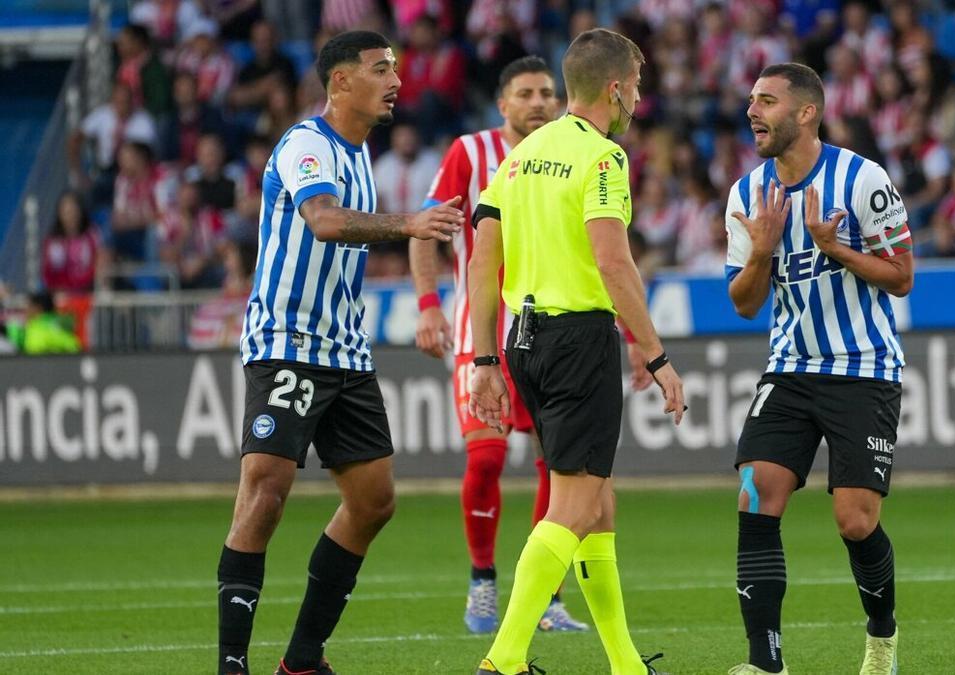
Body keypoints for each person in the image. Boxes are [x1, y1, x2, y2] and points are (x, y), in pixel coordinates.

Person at [217, 30, 465, 675]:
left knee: (374, 502)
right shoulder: (308, 143)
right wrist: (408, 224)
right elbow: (324, 220)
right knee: (266, 490)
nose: (396, 81)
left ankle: (301, 660)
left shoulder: (360, 155)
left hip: (346, 352)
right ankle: (231, 665)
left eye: (397, 69)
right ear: (339, 82)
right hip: (286, 343)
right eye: (381, 69)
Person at [467, 28, 685, 675]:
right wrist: (655, 350)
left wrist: (484, 360)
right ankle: (502, 660)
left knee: (598, 502)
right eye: (637, 87)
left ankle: (625, 663)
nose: (638, 101)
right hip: (577, 338)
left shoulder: (522, 155)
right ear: (615, 88)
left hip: (522, 339)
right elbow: (613, 260)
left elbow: (483, 258)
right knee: (573, 505)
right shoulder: (603, 158)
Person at [724, 63, 914, 675]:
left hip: (864, 367)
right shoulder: (745, 195)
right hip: (789, 366)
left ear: (806, 113)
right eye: (752, 99)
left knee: (856, 521)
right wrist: (761, 251)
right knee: (756, 497)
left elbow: (903, 277)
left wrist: (835, 248)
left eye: (767, 101)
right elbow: (746, 303)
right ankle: (765, 663)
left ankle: (881, 636)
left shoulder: (864, 179)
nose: (753, 111)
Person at [409, 55, 591, 634]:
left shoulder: (576, 150)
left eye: (547, 92)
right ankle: (483, 582)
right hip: (481, 334)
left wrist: (635, 340)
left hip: (553, 334)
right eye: (526, 93)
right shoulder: (470, 152)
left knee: (557, 469)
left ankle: (547, 596)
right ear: (503, 103)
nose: (539, 102)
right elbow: (429, 228)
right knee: (486, 459)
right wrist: (428, 303)